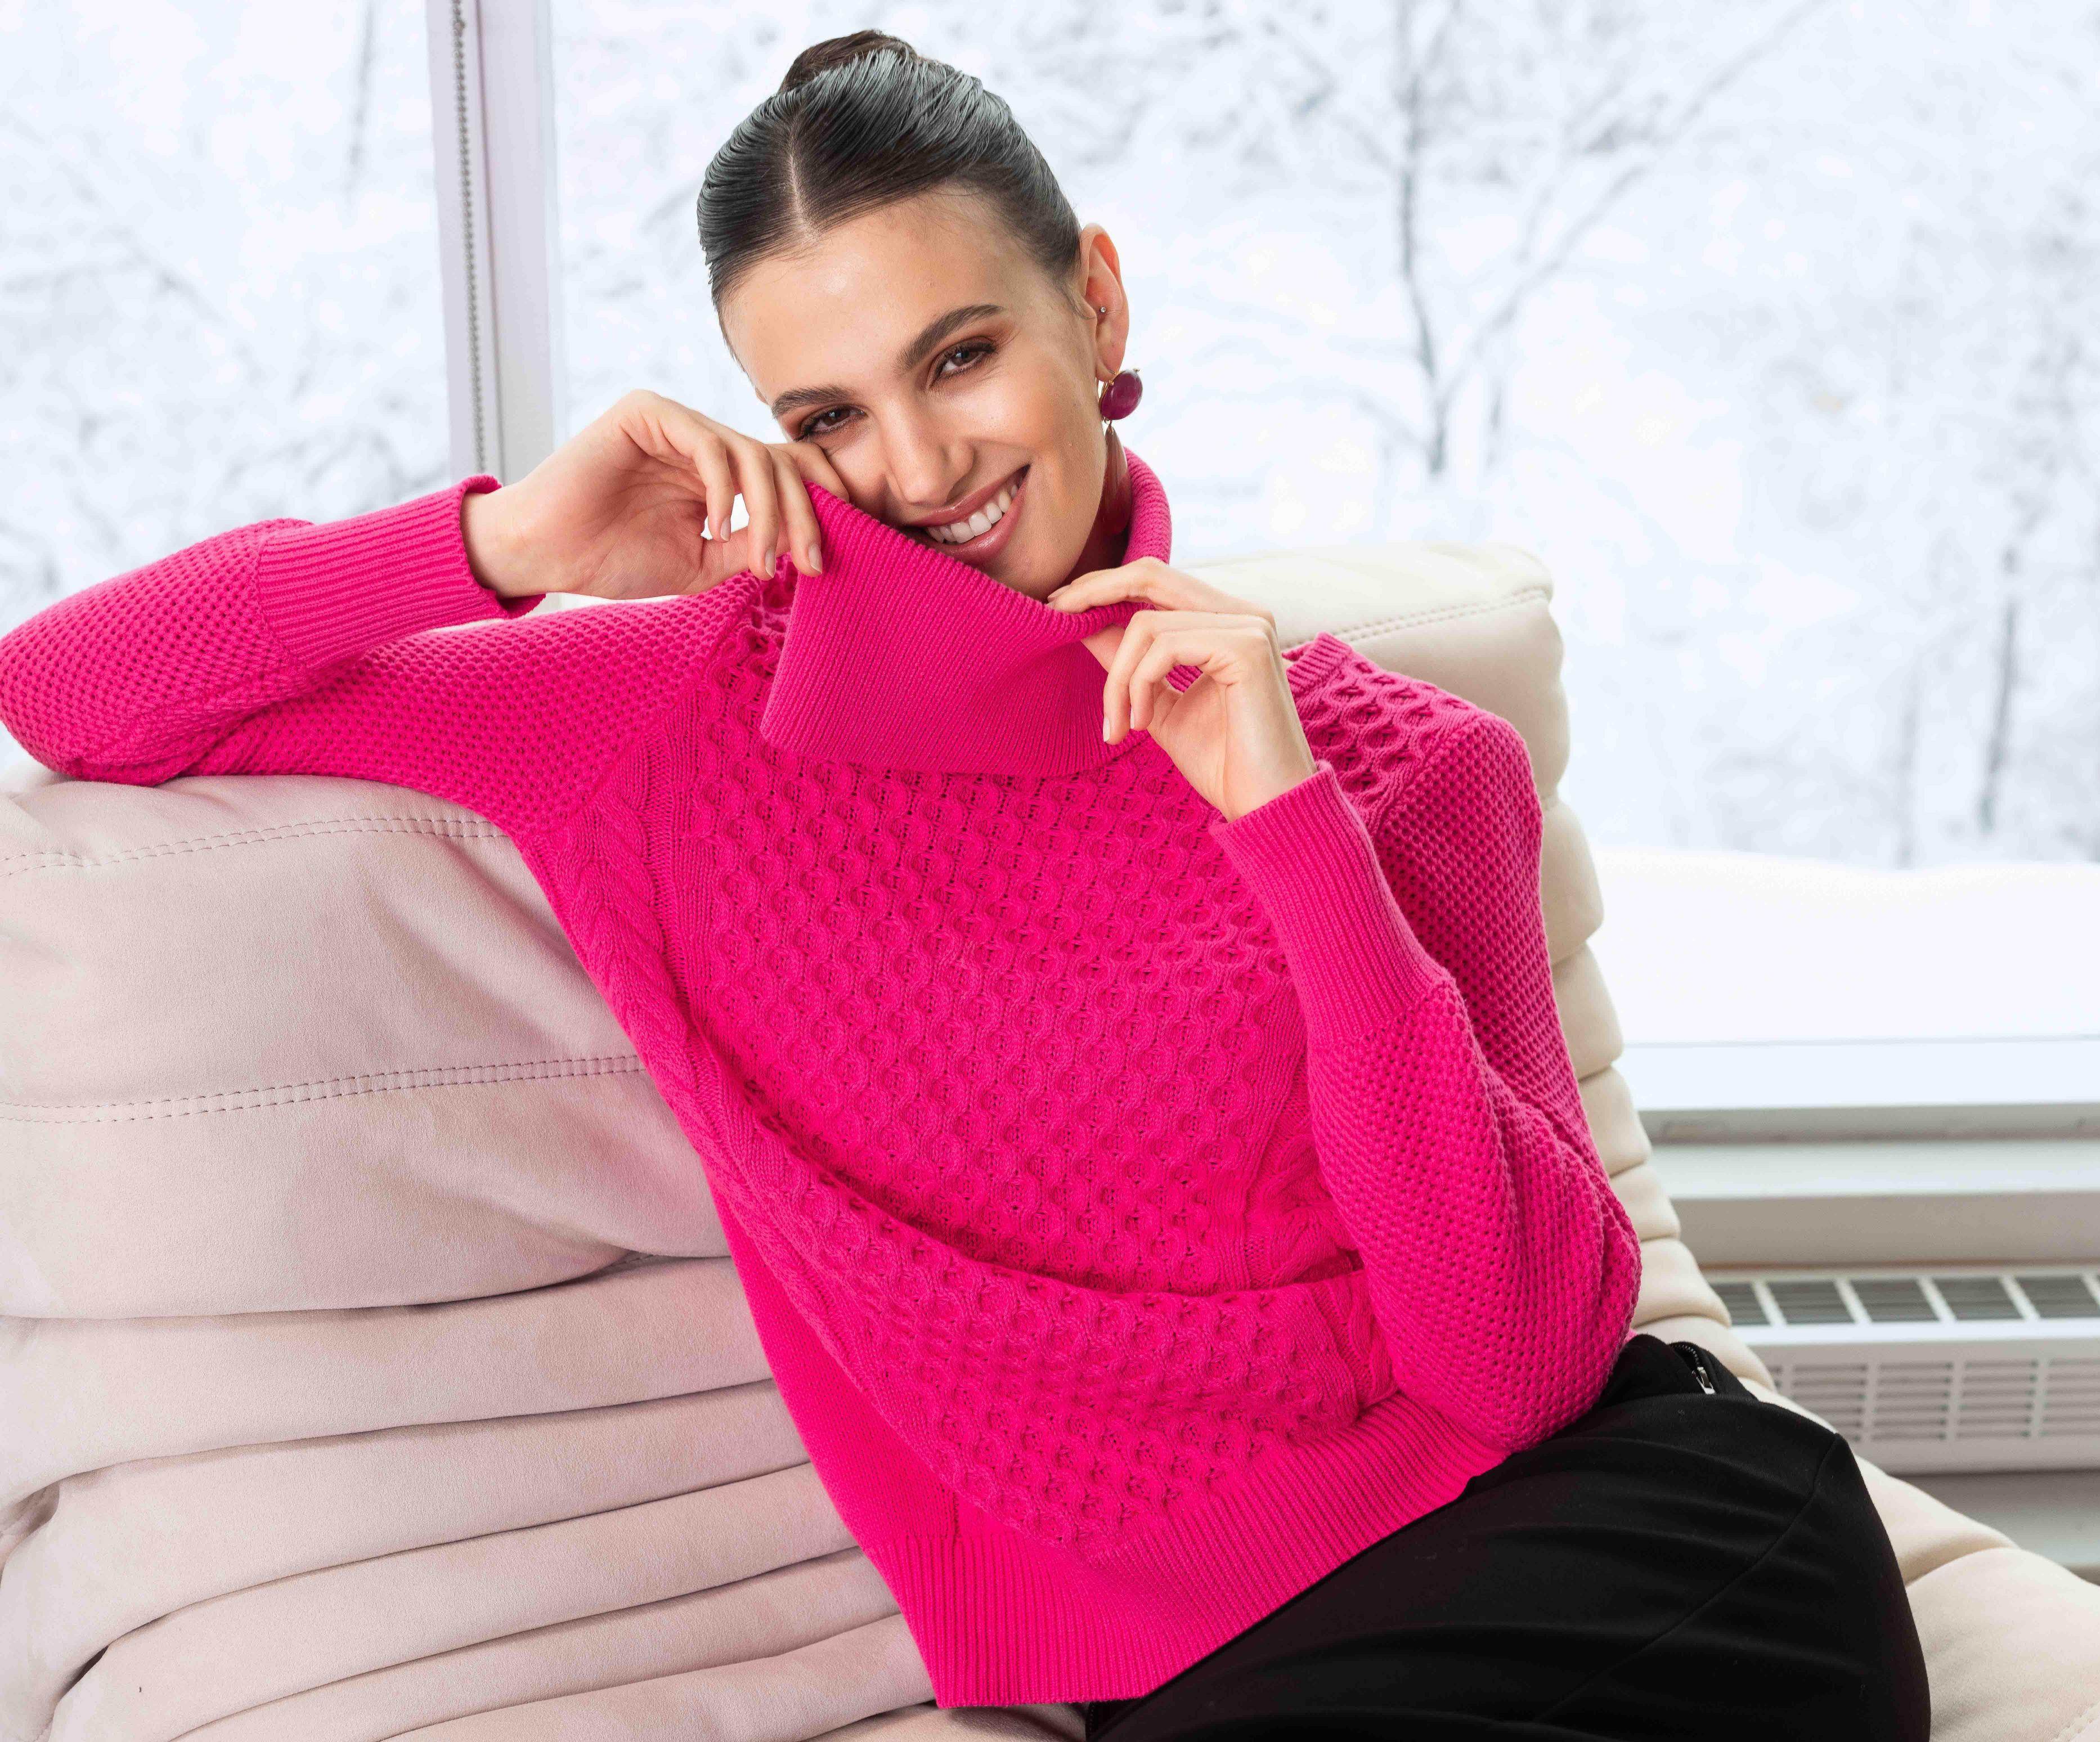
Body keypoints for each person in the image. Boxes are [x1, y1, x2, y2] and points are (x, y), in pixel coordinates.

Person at [0, 29, 1928, 1741]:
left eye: (961, 355)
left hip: (1651, 1540)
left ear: (1093, 299)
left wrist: (1289, 831)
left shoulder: (1406, 763)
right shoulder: (658, 714)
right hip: (1225, 1675)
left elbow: (1515, 1369)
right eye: (829, 417)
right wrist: (500, 544)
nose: (919, 467)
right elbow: (70, 694)